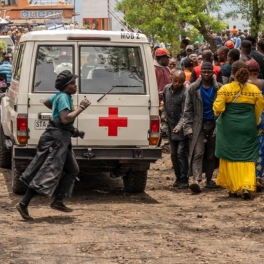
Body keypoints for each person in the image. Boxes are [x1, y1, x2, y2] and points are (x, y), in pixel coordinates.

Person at [16, 70, 91, 220]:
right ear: (65, 86)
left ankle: (58, 201)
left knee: (73, 169)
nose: (75, 86)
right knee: (45, 172)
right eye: (72, 83)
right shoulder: (63, 97)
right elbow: (65, 120)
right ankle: (23, 204)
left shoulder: (61, 96)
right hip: (55, 139)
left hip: (61, 139)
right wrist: (81, 108)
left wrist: (57, 111)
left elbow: (46, 102)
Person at [213, 61, 262, 199]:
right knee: (247, 155)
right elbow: (258, 110)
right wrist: (255, 122)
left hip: (228, 128)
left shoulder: (225, 89)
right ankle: (246, 186)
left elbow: (218, 109)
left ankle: (233, 188)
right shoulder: (254, 90)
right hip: (248, 126)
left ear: (232, 74)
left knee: (230, 155)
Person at [183, 62, 222, 193]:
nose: (206, 74)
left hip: (214, 124)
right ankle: (196, 180)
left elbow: (223, 111)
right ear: (200, 73)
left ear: (213, 73)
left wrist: (218, 129)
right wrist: (187, 128)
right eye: (204, 72)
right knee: (198, 152)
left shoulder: (219, 88)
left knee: (211, 154)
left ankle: (209, 179)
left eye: (208, 72)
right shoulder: (193, 89)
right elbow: (187, 110)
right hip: (198, 125)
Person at [162, 70, 189, 189]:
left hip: (182, 128)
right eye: (175, 81)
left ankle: (184, 178)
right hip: (170, 127)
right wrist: (163, 115)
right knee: (173, 154)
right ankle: (178, 177)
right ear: (171, 79)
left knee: (181, 153)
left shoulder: (185, 93)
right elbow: (164, 105)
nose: (177, 84)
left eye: (180, 82)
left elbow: (185, 113)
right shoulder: (166, 89)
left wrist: (179, 126)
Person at [245, 59, 264, 191]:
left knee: (248, 148)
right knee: (261, 149)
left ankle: (248, 178)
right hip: (262, 118)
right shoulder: (263, 83)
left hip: (248, 118)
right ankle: (258, 178)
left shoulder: (245, 84)